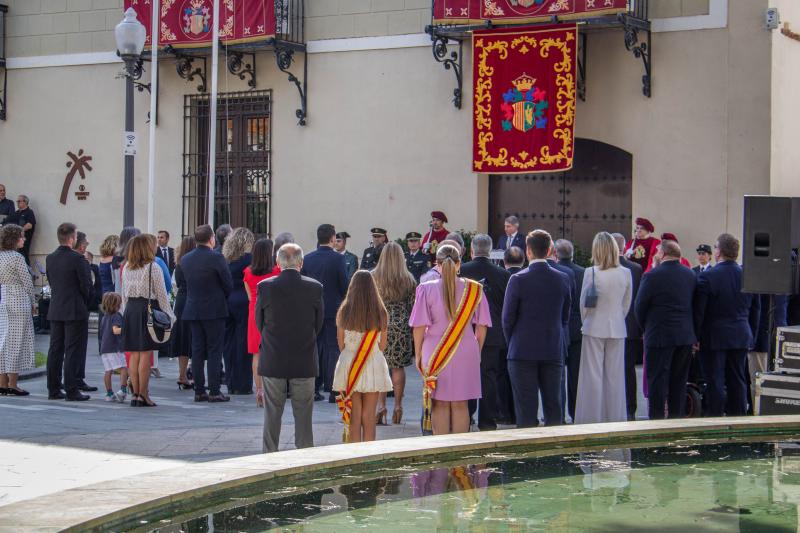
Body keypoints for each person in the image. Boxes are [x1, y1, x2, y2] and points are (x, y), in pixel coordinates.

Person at [410, 244, 491, 435]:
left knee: (439, 403)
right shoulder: (475, 289)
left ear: (436, 264)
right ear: (459, 264)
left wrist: (419, 354)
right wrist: (476, 350)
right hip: (466, 349)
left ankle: (443, 456)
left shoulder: (425, 289)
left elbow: (419, 327)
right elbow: (482, 326)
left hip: (435, 350)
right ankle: (459, 460)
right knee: (461, 404)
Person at [255, 243, 323, 452]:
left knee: (272, 415)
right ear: (301, 263)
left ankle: (269, 456)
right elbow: (318, 323)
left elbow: (260, 322)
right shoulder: (315, 287)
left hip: (274, 358)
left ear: (278, 262)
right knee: (304, 417)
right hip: (303, 359)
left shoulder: (265, 287)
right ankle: (304, 458)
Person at [502, 230, 571, 427]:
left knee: (525, 410)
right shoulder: (563, 278)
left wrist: (513, 342)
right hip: (552, 348)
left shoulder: (518, 279)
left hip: (522, 350)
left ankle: (527, 454)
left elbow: (507, 319)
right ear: (550, 250)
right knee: (554, 407)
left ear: (528, 251)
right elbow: (565, 316)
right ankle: (555, 453)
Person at [694, 233, 760, 417]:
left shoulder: (708, 277)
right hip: (741, 334)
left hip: (714, 336)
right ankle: (738, 417)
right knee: (738, 379)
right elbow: (756, 310)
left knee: (714, 380)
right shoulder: (747, 276)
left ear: (719, 252)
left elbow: (700, 312)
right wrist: (751, 335)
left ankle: (715, 418)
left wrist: (696, 336)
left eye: (715, 248)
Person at [634, 240, 697, 419]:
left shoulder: (652, 276)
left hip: (659, 335)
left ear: (662, 254)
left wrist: (645, 328)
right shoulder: (690, 275)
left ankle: (657, 422)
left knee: (657, 383)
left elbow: (639, 307)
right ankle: (675, 421)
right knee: (679, 382)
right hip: (684, 336)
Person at [575, 232, 632, 425]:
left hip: (593, 327)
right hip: (617, 327)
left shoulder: (591, 272)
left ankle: (591, 419)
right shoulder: (626, 273)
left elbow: (583, 304)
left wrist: (588, 322)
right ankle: (615, 418)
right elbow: (626, 304)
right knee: (615, 377)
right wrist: (615, 318)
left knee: (592, 376)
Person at [459, 234, 511, 431]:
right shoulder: (503, 274)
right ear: (490, 251)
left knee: (468, 375)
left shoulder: (461, 271)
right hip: (493, 332)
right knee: (489, 376)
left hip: (466, 332)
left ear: (472, 250)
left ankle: (467, 415)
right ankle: (488, 420)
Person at [333, 271, 393, 442]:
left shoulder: (344, 310)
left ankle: (354, 458)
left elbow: (341, 344)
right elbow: (382, 346)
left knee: (354, 415)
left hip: (350, 363)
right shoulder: (381, 311)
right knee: (369, 416)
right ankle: (369, 457)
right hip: (373, 362)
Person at [121, 234, 175, 407]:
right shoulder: (153, 267)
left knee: (134, 354)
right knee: (146, 353)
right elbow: (162, 296)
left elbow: (123, 295)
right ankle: (143, 393)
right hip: (147, 309)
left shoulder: (127, 267)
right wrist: (170, 317)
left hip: (131, 310)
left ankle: (135, 394)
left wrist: (125, 314)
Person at [181, 224, 233, 403]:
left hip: (193, 308)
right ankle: (214, 390)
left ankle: (199, 390)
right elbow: (228, 284)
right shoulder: (216, 258)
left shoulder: (186, 259)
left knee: (197, 351)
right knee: (214, 350)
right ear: (211, 238)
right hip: (214, 309)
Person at [46, 223, 93, 401]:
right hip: (75, 308)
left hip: (57, 307)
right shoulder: (77, 259)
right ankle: (72, 389)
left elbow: (52, 282)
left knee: (55, 350)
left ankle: (53, 388)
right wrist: (85, 302)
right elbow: (86, 286)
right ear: (72, 238)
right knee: (73, 349)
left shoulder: (50, 258)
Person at [302, 224, 348, 402]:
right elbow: (344, 284)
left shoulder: (308, 258)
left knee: (314, 348)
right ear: (332, 238)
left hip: (312, 310)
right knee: (332, 348)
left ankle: (314, 387)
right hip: (332, 309)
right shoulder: (338, 259)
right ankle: (333, 388)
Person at [372, 242, 417, 425]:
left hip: (379, 325)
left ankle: (381, 406)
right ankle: (398, 406)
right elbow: (414, 307)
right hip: (401, 326)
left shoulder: (374, 276)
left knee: (381, 367)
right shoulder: (408, 279)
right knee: (398, 368)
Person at [244, 238, 281, 407]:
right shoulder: (276, 271)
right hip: (273, 313)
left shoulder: (248, 272)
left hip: (254, 313)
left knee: (256, 355)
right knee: (272, 353)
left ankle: (259, 391)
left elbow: (250, 297)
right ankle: (270, 391)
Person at [0, 224, 35, 396]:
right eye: (22, 236)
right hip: (18, 299)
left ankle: (2, 383)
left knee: (3, 341)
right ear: (14, 239)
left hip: (4, 296)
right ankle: (13, 384)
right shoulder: (17, 257)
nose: (24, 239)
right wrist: (34, 300)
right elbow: (27, 281)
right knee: (16, 342)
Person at [613, 232, 644, 421]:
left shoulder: (603, 268)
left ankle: (612, 407)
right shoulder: (636, 268)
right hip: (631, 324)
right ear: (624, 247)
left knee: (611, 369)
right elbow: (637, 299)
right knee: (628, 369)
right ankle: (630, 408)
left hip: (610, 324)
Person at [554, 239, 585, 422]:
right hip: (578, 327)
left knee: (558, 376)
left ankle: (559, 415)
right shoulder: (583, 272)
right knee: (575, 375)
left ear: (556, 254)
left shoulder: (556, 271)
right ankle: (575, 412)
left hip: (560, 327)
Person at [222, 227, 255, 395]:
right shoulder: (250, 259)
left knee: (228, 343)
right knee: (243, 343)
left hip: (228, 302)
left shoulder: (226, 259)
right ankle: (243, 384)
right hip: (244, 301)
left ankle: (230, 381)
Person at [748, 294, 788, 409]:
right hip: (776, 337)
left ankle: (759, 411)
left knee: (758, 380)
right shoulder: (784, 282)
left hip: (761, 338)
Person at [172, 236, 196, 390]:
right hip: (192, 299)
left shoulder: (178, 265)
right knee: (193, 338)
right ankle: (192, 373)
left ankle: (182, 375)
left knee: (182, 339)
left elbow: (175, 285)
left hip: (180, 301)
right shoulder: (194, 264)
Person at [98, 292, 129, 403]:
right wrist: (127, 329)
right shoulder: (116, 316)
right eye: (119, 303)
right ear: (116, 305)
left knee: (108, 371)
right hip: (114, 348)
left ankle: (109, 393)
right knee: (123, 368)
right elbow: (115, 330)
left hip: (104, 348)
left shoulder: (104, 317)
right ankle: (122, 390)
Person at [6, 195, 36, 264]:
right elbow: (6, 222)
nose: (17, 202)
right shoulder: (15, 213)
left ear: (25, 202)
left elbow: (30, 225)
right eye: (17, 201)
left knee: (24, 259)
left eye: (19, 201)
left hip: (24, 242)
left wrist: (18, 231)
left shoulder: (29, 212)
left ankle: (28, 274)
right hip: (13, 243)